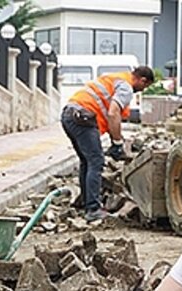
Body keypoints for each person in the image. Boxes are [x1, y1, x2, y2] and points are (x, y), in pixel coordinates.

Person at [61, 65, 154, 222]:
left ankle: (85, 203)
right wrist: (118, 143)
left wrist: (116, 140)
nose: (143, 90)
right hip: (82, 117)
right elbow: (113, 113)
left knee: (87, 161)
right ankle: (93, 209)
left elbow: (111, 117)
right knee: (96, 161)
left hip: (70, 115)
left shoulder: (117, 79)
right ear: (142, 80)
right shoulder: (126, 88)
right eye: (145, 86)